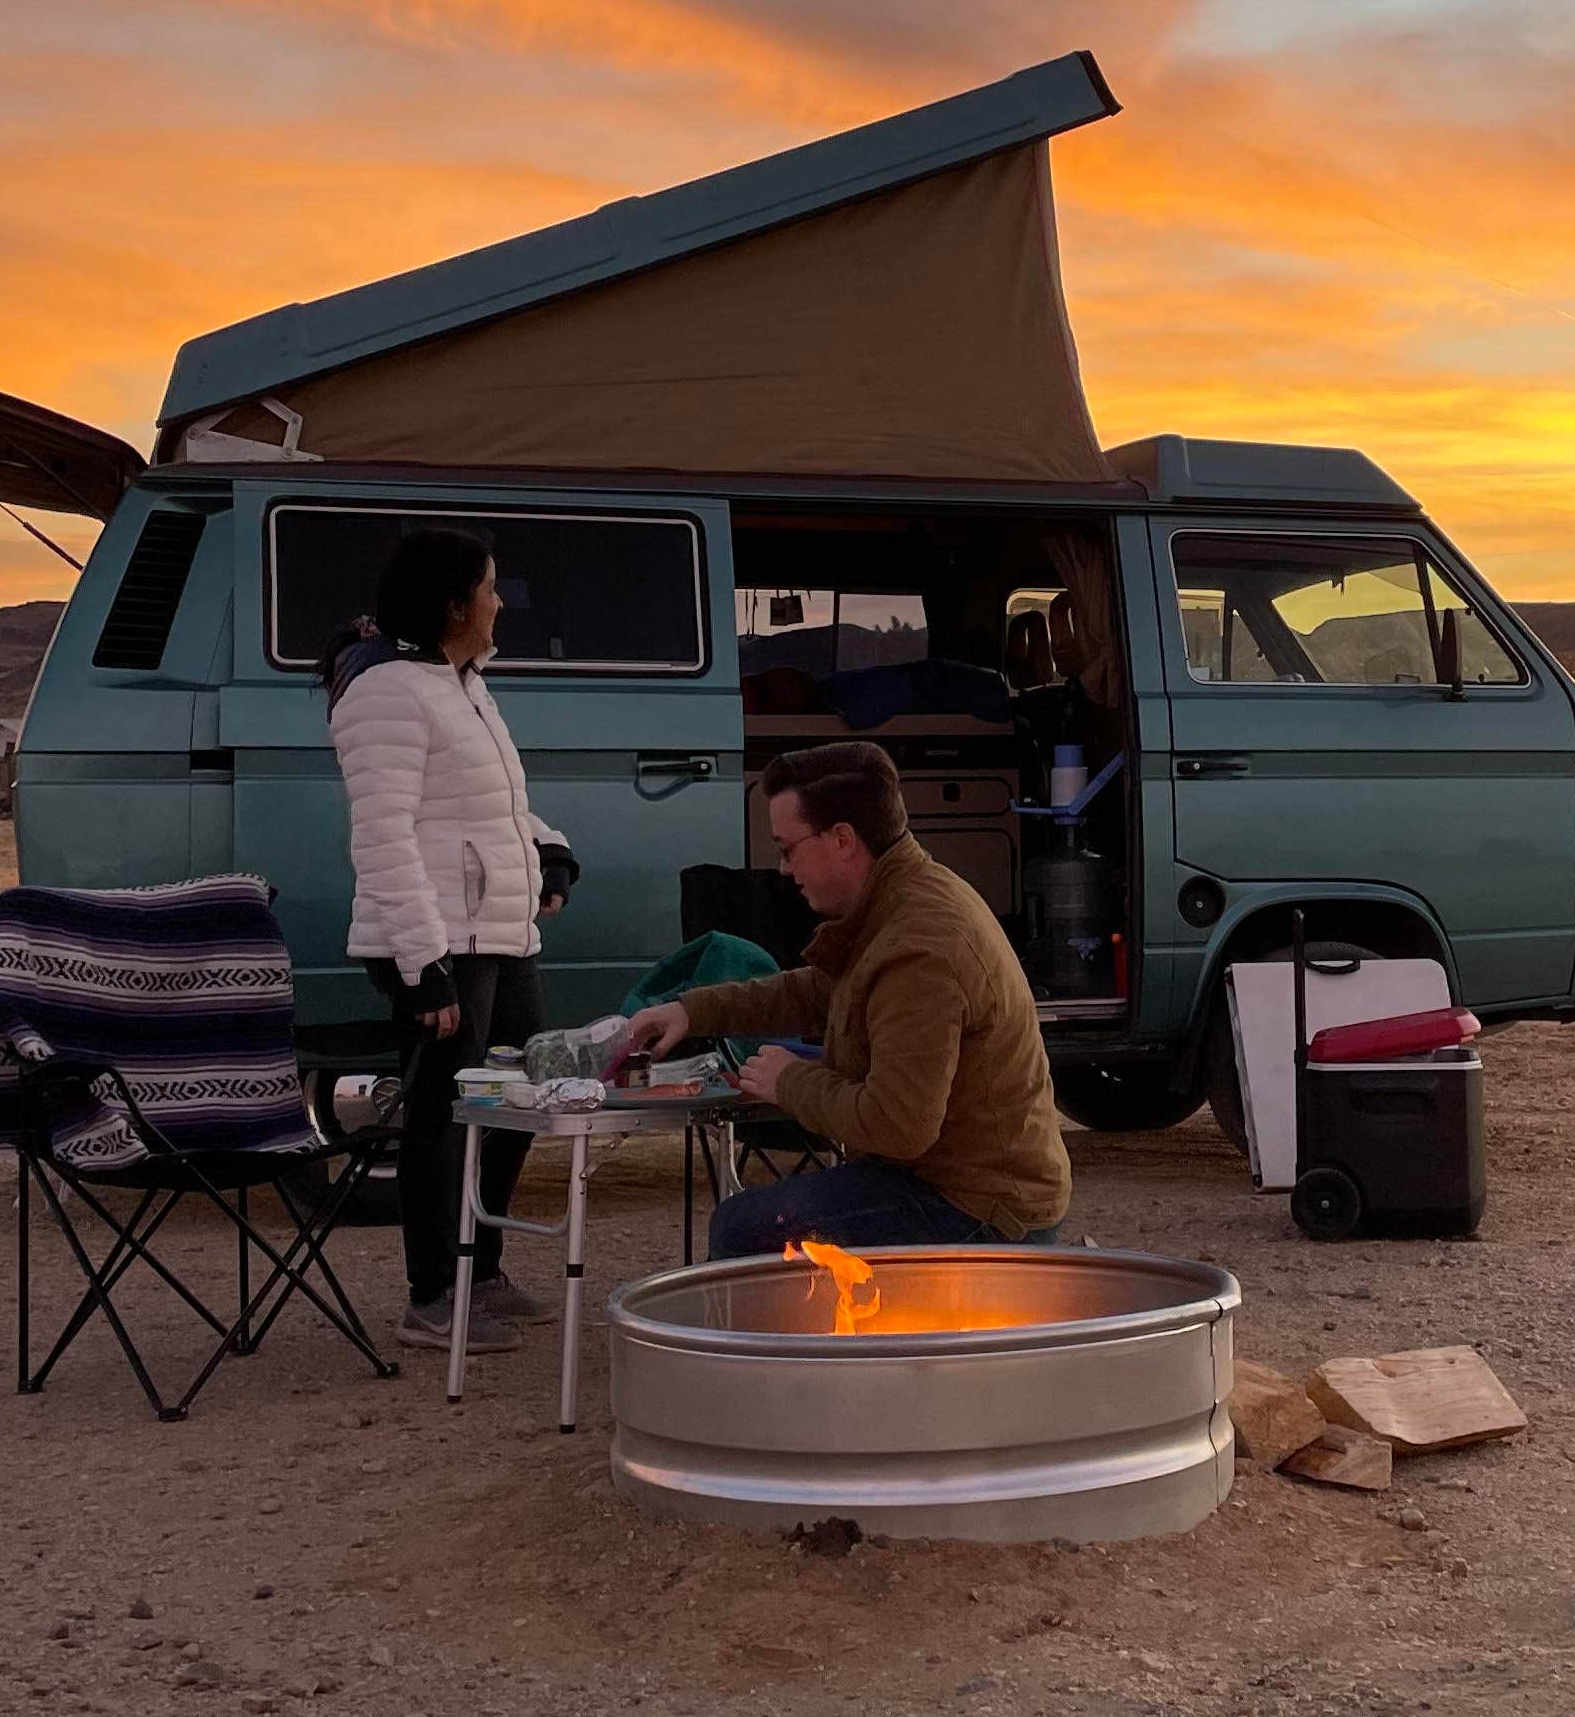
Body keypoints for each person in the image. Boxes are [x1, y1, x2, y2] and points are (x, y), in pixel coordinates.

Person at [618, 736, 1069, 1258]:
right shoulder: (899, 900)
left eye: (788, 849)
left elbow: (898, 1127)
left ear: (841, 839)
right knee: (758, 1219)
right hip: (955, 1182)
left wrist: (790, 1080)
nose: (785, 869)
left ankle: (777, 1342)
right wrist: (690, 1010)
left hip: (981, 1208)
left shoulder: (919, 948)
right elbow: (816, 990)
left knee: (744, 1230)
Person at [326, 526, 575, 1352]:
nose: (501, 603)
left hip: (499, 931)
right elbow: (385, 837)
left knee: (520, 1097)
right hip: (438, 941)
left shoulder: (460, 683)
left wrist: (547, 845)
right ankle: (432, 1295)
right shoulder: (387, 692)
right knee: (439, 1117)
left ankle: (483, 1270)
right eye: (491, 588)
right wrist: (419, 964)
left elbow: (489, 804)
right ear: (452, 604)